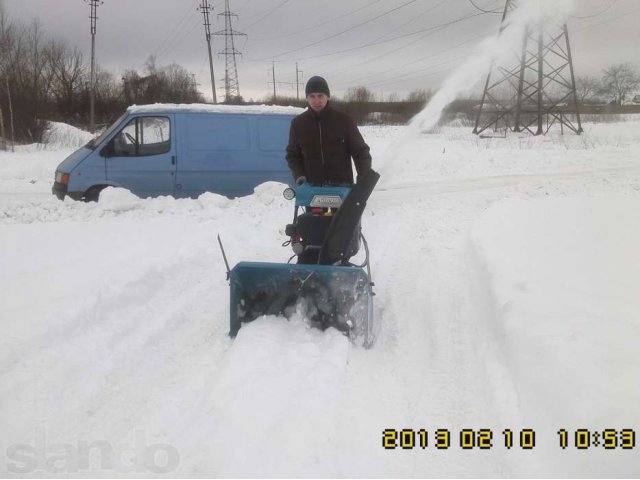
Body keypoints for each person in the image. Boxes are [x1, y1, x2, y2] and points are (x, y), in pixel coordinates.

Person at [286, 75, 372, 186]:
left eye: (320, 96)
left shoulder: (344, 121)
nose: (316, 100)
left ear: (328, 96)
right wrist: (299, 176)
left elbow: (361, 152)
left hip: (341, 188)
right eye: (312, 96)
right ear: (307, 98)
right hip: (312, 189)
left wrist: (363, 179)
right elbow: (292, 155)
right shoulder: (298, 124)